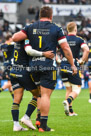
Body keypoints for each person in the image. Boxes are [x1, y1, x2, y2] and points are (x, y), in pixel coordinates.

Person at [12, 6, 77, 132]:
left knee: (40, 95)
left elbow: (15, 38)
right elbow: (66, 48)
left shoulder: (30, 27)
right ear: (51, 16)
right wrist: (72, 64)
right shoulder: (56, 28)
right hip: (47, 65)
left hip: (33, 66)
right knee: (45, 95)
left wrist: (28, 34)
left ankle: (36, 119)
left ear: (40, 15)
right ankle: (43, 125)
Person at [10, 39, 54, 131]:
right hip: (23, 71)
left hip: (14, 70)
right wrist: (43, 54)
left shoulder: (17, 41)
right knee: (38, 94)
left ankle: (16, 125)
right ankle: (26, 117)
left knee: (16, 100)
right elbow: (29, 51)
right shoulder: (26, 40)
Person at [60, 22, 89, 116]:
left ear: (68, 30)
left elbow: (53, 50)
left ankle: (70, 111)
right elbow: (87, 50)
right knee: (77, 89)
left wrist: (58, 60)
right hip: (73, 66)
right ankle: (67, 102)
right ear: (75, 29)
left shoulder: (62, 39)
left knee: (68, 89)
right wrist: (82, 61)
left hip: (63, 65)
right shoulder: (79, 40)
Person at [0, 34, 14, 99]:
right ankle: (1, 89)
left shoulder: (2, 45)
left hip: (5, 64)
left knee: (9, 81)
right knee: (11, 82)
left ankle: (13, 97)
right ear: (10, 38)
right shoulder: (11, 46)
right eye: (12, 38)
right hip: (9, 65)